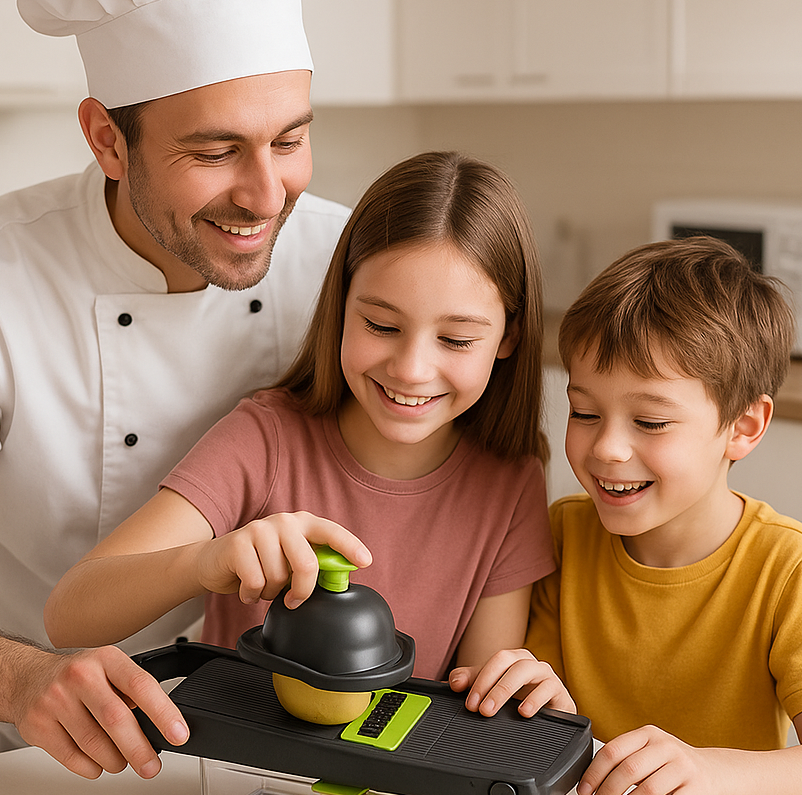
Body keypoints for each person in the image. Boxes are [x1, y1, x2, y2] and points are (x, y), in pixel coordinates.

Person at [0, 0, 350, 780]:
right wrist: (23, 683)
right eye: (217, 150)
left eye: (290, 139)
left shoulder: (347, 265)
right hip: (8, 747)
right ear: (107, 139)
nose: (266, 195)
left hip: (264, 745)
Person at [46, 151, 556, 680]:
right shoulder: (265, 441)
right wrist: (207, 561)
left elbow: (471, 705)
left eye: (455, 339)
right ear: (341, 307)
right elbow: (69, 617)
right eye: (381, 326)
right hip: (232, 765)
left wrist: (509, 689)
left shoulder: (512, 483)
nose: (411, 370)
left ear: (508, 338)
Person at [450, 236, 802, 795]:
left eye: (650, 422)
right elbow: (538, 723)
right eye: (584, 412)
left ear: (743, 427)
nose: (606, 449)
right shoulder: (563, 533)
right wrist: (540, 708)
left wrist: (711, 774)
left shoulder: (790, 566)